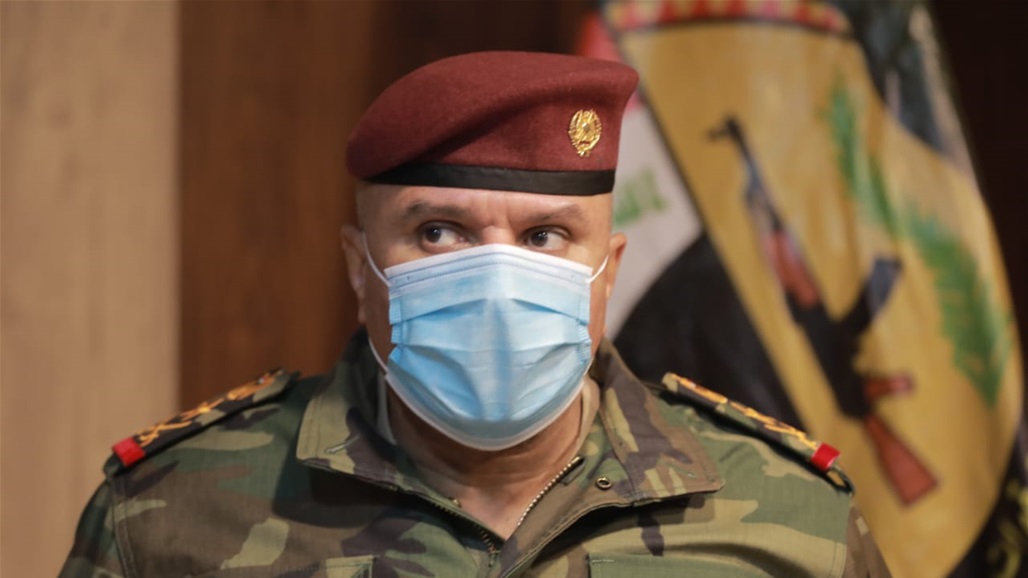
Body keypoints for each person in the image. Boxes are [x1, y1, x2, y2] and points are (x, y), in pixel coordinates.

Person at [60, 51, 891, 577]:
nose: (497, 280)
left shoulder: (795, 526)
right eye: (438, 232)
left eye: (545, 236)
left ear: (608, 273)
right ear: (359, 267)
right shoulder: (170, 517)